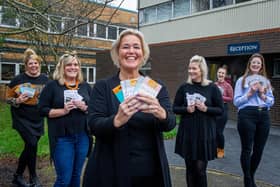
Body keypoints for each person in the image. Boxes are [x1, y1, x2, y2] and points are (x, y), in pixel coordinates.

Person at [82, 29, 176, 187]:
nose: (131, 51)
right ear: (117, 53)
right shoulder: (103, 87)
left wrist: (162, 113)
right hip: (111, 169)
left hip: (150, 171)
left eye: (136, 47)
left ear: (143, 53)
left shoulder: (156, 87)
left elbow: (171, 123)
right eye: (125, 47)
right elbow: (92, 125)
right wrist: (116, 120)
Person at [38, 51, 91, 187]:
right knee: (64, 179)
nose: (73, 67)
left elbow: (94, 110)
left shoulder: (85, 86)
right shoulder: (52, 86)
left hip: (82, 136)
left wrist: (84, 107)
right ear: (62, 67)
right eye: (69, 65)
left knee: (76, 176)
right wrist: (63, 111)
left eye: (76, 65)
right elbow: (41, 110)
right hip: (62, 138)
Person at [173, 55, 224, 187]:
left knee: (200, 170)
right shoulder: (184, 87)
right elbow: (175, 108)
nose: (191, 71)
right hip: (188, 132)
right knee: (190, 169)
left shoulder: (212, 88)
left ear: (202, 70)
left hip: (205, 133)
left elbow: (220, 110)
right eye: (189, 68)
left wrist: (206, 108)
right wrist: (186, 109)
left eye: (194, 69)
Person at [6, 48, 49, 187]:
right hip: (21, 117)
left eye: (36, 63)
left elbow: (49, 97)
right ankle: (33, 177)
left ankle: (18, 176)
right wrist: (17, 101)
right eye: (30, 64)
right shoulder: (17, 80)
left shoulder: (45, 80)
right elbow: (7, 98)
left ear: (39, 64)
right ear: (26, 65)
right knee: (31, 144)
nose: (33, 66)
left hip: (37, 118)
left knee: (31, 147)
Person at [233, 53, 274, 187]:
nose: (256, 65)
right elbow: (236, 102)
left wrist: (262, 95)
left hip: (263, 115)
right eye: (253, 62)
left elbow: (271, 101)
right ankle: (248, 180)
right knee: (247, 149)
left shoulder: (266, 81)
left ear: (261, 66)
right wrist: (249, 93)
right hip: (247, 115)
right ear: (249, 65)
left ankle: (250, 176)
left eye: (258, 63)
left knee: (259, 149)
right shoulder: (241, 80)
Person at [215, 66, 233, 158]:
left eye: (222, 73)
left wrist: (220, 96)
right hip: (214, 110)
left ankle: (220, 150)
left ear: (225, 75)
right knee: (213, 131)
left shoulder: (227, 86)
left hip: (223, 109)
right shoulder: (214, 85)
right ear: (217, 74)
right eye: (219, 72)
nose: (220, 74)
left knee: (219, 132)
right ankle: (213, 149)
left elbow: (231, 98)